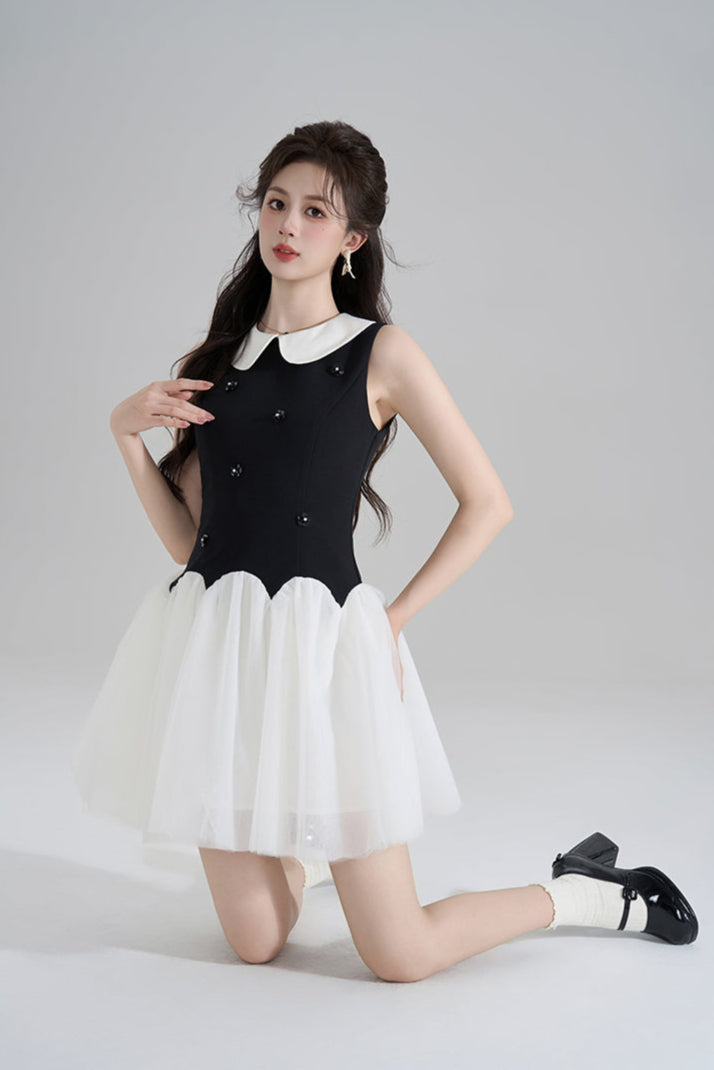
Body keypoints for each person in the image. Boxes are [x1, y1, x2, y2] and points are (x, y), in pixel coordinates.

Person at [71, 120, 698, 981]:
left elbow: (489, 504)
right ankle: (310, 849)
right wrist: (124, 435)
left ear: (353, 239)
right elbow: (193, 542)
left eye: (316, 212)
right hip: (221, 658)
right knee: (255, 943)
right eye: (277, 204)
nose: (289, 226)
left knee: (400, 956)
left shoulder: (380, 354)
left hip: (326, 655)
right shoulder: (215, 361)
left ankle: (590, 893)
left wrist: (392, 623)